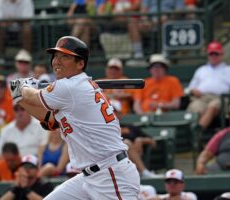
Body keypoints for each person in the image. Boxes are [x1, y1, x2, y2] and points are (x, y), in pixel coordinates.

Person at [10, 36, 140, 199]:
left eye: (65, 56)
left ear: (80, 64)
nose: (57, 61)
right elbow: (48, 120)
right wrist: (19, 96)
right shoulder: (74, 88)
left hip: (111, 175)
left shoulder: (69, 86)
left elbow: (32, 97)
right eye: (56, 56)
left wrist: (22, 87)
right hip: (90, 176)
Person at [187, 41, 230, 130]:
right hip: (202, 97)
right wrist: (193, 90)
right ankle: (196, 132)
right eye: (211, 54)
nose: (213, 56)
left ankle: (198, 132)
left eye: (216, 54)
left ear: (221, 55)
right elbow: (191, 88)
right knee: (196, 108)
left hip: (221, 98)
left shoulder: (229, 70)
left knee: (212, 107)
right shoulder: (201, 70)